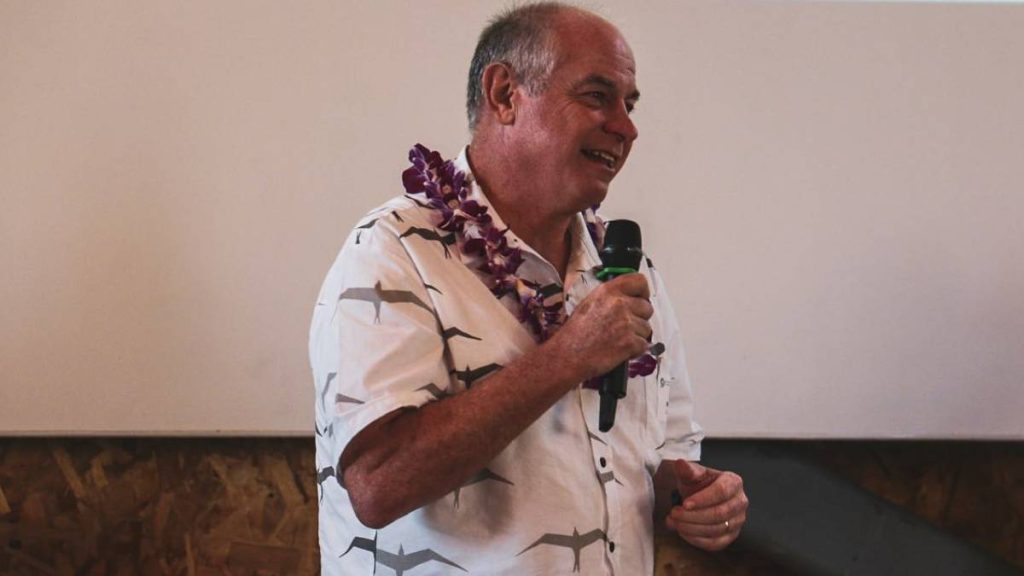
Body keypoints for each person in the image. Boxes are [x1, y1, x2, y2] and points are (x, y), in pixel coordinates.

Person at [310, 3, 748, 574]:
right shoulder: (393, 251)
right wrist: (566, 357)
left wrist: (698, 497)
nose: (626, 127)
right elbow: (377, 485)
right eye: (597, 96)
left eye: (630, 104)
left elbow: (662, 459)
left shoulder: (627, 271)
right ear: (505, 95)